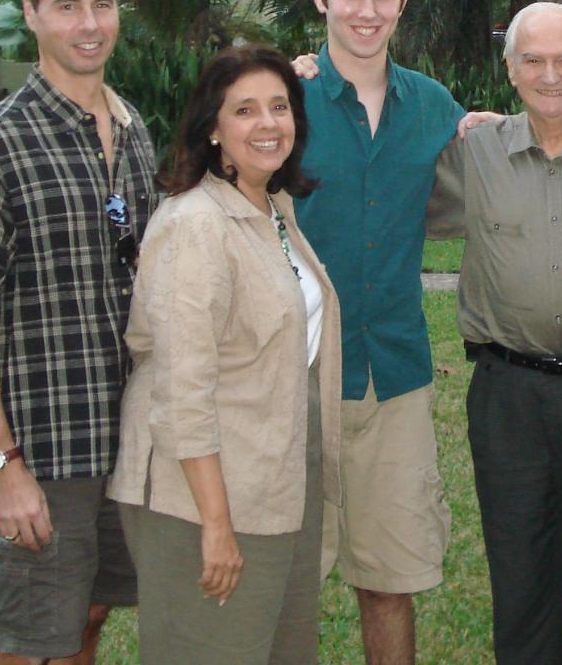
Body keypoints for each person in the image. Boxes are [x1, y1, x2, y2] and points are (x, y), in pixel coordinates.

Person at [0, 0, 157, 664]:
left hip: (126, 444)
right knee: (24, 641)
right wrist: (4, 467)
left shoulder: (133, 134)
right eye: (67, 6)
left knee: (89, 618)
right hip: (45, 448)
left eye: (101, 5)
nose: (88, 24)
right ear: (31, 13)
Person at [426, 2, 562, 664]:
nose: (551, 74)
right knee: (519, 574)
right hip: (506, 394)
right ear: (510, 70)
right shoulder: (472, 151)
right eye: (534, 60)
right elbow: (382, 189)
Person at [108, 46, 342, 663]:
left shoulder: (272, 209)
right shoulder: (197, 225)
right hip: (204, 501)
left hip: (274, 488)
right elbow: (180, 391)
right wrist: (215, 523)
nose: (269, 124)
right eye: (245, 110)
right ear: (213, 127)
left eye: (279, 107)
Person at [292, 0, 463, 665]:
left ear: (403, 2)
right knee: (276, 583)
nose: (367, 10)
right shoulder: (278, 103)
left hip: (391, 373)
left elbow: (506, 154)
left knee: (389, 582)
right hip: (287, 379)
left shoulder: (433, 108)